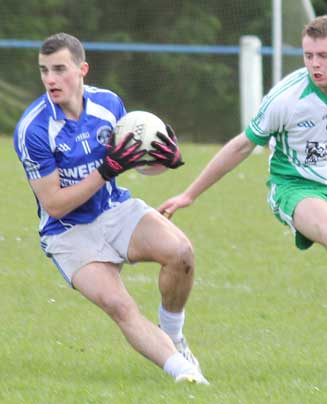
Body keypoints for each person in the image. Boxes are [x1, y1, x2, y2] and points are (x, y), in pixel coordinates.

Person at [159, 15, 327, 370]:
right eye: (308, 55)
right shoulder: (286, 98)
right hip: (293, 186)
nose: (314, 64)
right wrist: (190, 194)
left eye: (323, 56)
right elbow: (240, 146)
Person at [13, 33, 208, 384]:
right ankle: (186, 375)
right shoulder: (34, 129)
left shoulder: (109, 104)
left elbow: (132, 161)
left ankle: (174, 336)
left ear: (82, 69)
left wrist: (165, 159)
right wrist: (106, 171)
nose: (50, 79)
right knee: (120, 306)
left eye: (59, 69)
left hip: (114, 210)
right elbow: (54, 205)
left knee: (181, 253)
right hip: (68, 233)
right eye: (44, 71)